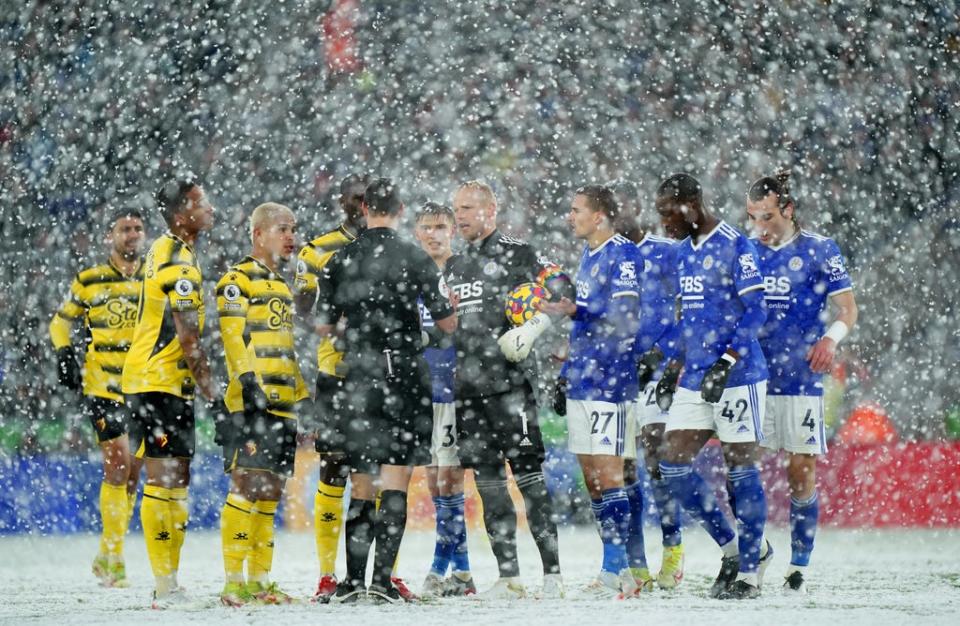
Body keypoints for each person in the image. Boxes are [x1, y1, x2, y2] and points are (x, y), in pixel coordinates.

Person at [315, 178, 457, 604]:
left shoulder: (339, 259)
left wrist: (357, 336)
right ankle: (382, 581)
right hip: (404, 376)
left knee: (361, 483)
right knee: (395, 480)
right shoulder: (415, 257)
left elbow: (322, 326)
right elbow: (447, 322)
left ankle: (352, 582)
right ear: (398, 208)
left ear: (363, 209)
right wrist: (423, 336)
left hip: (357, 379)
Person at [444, 180, 571, 599]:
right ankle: (509, 576)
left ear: (490, 210)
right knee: (488, 485)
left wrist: (535, 328)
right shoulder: (455, 267)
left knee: (530, 480)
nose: (459, 216)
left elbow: (564, 289)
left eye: (467, 208)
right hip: (468, 389)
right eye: (456, 209)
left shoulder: (520, 252)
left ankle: (552, 575)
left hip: (510, 387)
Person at [653, 173, 772, 600]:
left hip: (738, 376)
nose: (664, 222)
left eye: (668, 212)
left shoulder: (736, 244)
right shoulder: (684, 252)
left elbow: (756, 311)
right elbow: (691, 319)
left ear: (690, 204)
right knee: (672, 466)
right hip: (696, 375)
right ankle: (734, 548)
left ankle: (750, 574)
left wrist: (727, 360)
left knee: (741, 471)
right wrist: (674, 362)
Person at [746, 171, 858, 594]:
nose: (761, 227)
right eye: (753, 217)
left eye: (768, 217)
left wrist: (831, 339)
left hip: (799, 375)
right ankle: (753, 552)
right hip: (753, 376)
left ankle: (799, 566)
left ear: (788, 211)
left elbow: (848, 309)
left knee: (800, 469)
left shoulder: (820, 250)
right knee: (742, 468)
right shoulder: (747, 250)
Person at [121, 179, 218, 608]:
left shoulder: (165, 248)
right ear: (182, 215)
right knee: (165, 476)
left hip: (157, 382)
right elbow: (187, 335)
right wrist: (211, 389)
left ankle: (170, 582)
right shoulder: (179, 260)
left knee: (175, 476)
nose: (210, 208)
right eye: (201, 203)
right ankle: (164, 584)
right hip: (158, 382)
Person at [541, 186, 641, 597]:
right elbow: (589, 321)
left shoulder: (623, 253)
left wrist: (577, 310)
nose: (570, 216)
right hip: (584, 377)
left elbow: (626, 315)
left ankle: (615, 570)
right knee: (593, 480)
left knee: (609, 474)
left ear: (598, 216)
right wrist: (568, 362)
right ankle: (619, 571)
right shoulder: (589, 256)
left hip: (611, 380)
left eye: (576, 209)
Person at [293, 173, 381, 602]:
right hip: (337, 376)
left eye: (369, 198)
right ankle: (328, 575)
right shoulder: (317, 249)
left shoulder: (389, 245)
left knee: (382, 478)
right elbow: (304, 306)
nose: (362, 205)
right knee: (333, 473)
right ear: (343, 202)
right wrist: (349, 322)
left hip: (381, 376)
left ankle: (384, 574)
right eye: (356, 198)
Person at [48, 208, 147, 588]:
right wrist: (63, 353)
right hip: (103, 387)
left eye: (138, 229)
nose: (132, 235)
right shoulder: (90, 280)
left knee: (133, 474)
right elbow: (60, 320)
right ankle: (117, 557)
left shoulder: (152, 281)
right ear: (111, 236)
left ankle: (107, 551)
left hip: (143, 387)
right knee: (118, 464)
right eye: (125, 229)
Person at [215, 202, 308, 606]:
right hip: (251, 403)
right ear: (259, 234)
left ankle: (259, 581)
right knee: (246, 485)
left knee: (270, 491)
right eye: (283, 229)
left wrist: (304, 396)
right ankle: (233, 582)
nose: (291, 237)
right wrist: (248, 381)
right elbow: (233, 336)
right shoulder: (236, 279)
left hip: (283, 403)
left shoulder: (282, 286)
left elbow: (287, 348)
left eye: (293, 229)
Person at [609, 180, 686, 591]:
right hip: (620, 372)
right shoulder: (605, 256)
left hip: (659, 372)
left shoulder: (669, 253)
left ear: (637, 208)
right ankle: (635, 561)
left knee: (657, 454)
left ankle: (673, 548)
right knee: (622, 467)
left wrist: (666, 353)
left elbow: (692, 305)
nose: (614, 217)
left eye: (620, 208)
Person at [413, 202, 476, 597]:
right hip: (422, 390)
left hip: (455, 389)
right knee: (435, 486)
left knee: (447, 479)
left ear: (452, 230)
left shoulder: (466, 272)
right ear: (416, 232)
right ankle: (465, 574)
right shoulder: (413, 272)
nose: (433, 234)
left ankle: (438, 570)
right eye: (425, 227)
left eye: (439, 226)